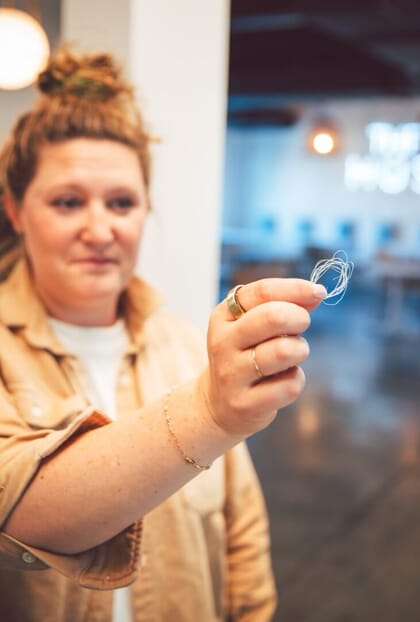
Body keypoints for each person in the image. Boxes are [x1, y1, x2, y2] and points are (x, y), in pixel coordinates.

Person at [0, 48, 326, 622]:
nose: (99, 229)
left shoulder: (183, 344)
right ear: (17, 209)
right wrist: (209, 411)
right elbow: (20, 510)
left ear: (146, 209)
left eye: (122, 202)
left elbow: (240, 526)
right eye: (68, 202)